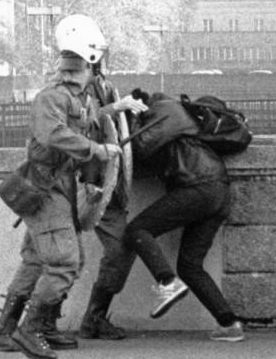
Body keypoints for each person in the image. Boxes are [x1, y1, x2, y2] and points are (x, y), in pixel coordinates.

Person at [0, 18, 140, 359]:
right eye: (97, 63)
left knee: (37, 260)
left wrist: (113, 110)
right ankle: (30, 330)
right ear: (89, 63)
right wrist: (97, 150)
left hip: (56, 188)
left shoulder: (73, 97)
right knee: (63, 262)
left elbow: (82, 121)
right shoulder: (51, 98)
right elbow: (53, 134)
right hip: (45, 189)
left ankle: (9, 330)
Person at [103, 91, 246, 341]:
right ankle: (229, 323)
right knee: (190, 266)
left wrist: (131, 122)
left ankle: (167, 282)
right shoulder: (181, 119)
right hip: (218, 191)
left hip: (197, 187)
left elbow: (139, 146)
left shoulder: (165, 110)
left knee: (137, 230)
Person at [76, 22, 144, 342]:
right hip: (87, 182)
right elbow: (79, 123)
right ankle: (39, 323)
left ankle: (93, 318)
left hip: (107, 180)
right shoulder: (75, 85)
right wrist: (117, 107)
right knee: (54, 258)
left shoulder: (101, 82)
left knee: (120, 250)